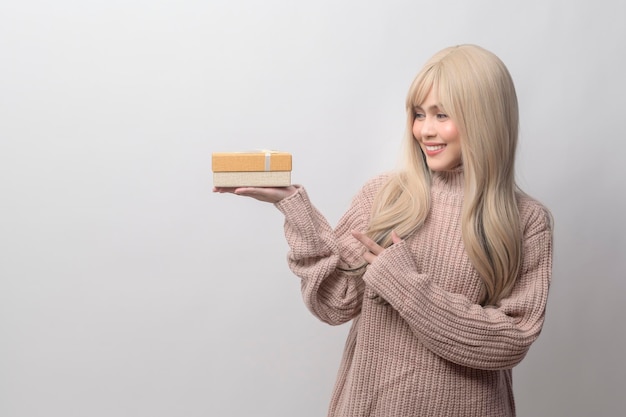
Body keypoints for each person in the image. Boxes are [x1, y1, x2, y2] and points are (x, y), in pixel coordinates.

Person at [214, 44, 553, 417]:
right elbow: (333, 303)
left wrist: (403, 284)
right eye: (419, 114)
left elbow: (509, 342)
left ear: (485, 119)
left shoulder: (525, 220)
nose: (425, 130)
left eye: (442, 115)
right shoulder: (386, 196)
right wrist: (295, 208)